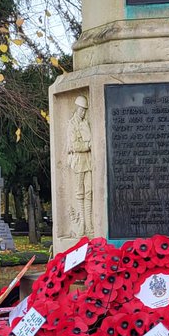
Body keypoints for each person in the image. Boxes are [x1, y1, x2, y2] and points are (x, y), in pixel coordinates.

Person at [66, 94, 93, 236]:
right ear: (77, 108)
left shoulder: (85, 123)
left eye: (85, 110)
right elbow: (74, 145)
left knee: (89, 191)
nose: (83, 112)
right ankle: (82, 223)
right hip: (78, 161)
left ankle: (89, 223)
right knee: (79, 192)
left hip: (88, 161)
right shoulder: (72, 124)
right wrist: (87, 145)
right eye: (82, 109)